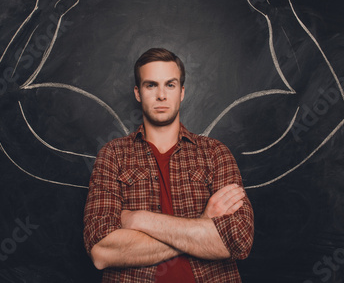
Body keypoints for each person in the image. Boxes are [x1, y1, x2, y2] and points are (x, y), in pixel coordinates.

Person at [83, 48, 254, 282]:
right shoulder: (113, 155)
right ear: (138, 93)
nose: (161, 95)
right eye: (151, 85)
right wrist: (202, 224)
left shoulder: (215, 153)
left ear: (182, 92)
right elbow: (102, 252)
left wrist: (139, 219)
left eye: (170, 85)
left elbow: (237, 241)